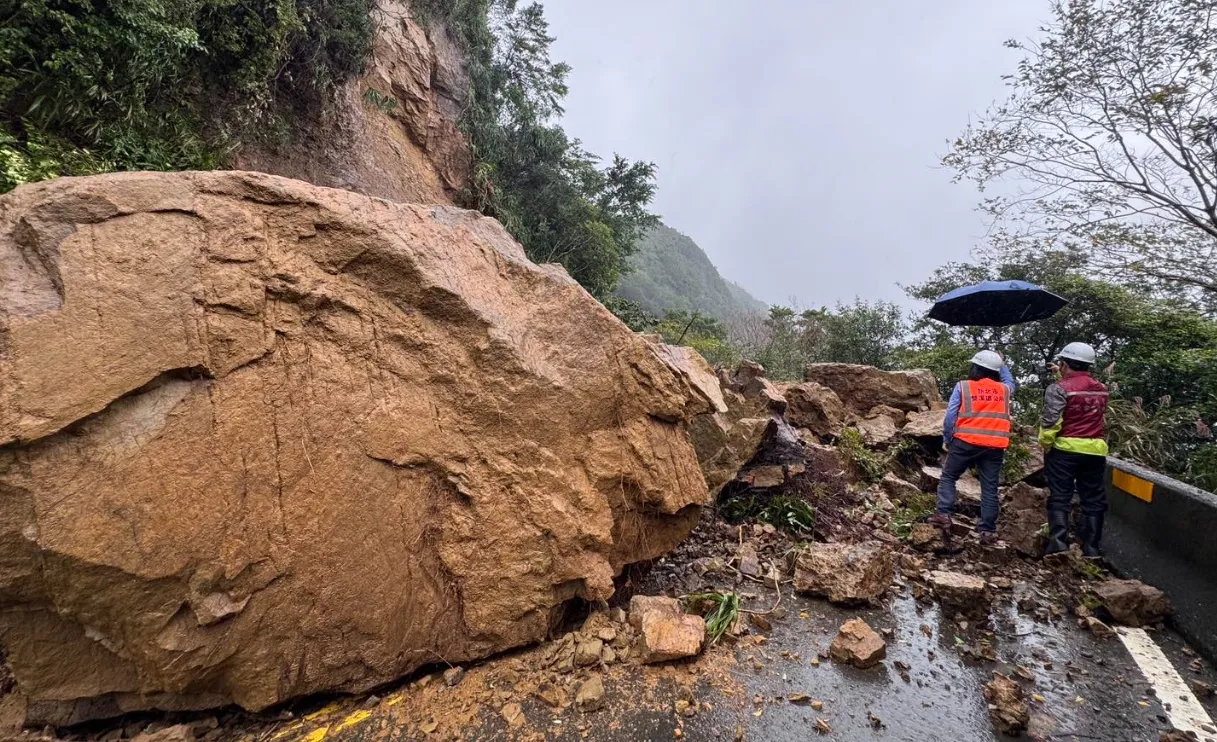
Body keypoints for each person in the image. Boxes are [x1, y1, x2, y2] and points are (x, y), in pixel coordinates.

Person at [930, 350, 1015, 545]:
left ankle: (943, 515)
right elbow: (1010, 381)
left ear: (975, 368)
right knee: (989, 487)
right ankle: (987, 531)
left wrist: (948, 439)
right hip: (994, 446)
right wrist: (1002, 363)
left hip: (965, 441)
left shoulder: (964, 387)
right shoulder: (1005, 390)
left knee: (949, 476)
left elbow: (951, 416)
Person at [1040, 341, 1109, 558]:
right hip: (1095, 451)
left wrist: (1046, 443)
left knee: (1060, 495)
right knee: (1093, 498)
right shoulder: (1102, 389)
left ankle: (1059, 543)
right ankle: (1092, 548)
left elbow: (1052, 421)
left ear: (1064, 363)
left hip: (1065, 450)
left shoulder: (1058, 389)